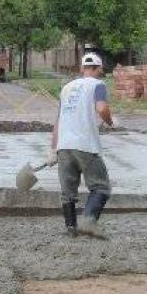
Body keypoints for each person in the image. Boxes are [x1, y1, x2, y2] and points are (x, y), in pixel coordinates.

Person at [48, 52, 114, 236]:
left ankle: (71, 229)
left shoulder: (66, 88)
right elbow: (101, 108)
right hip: (86, 145)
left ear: (82, 68)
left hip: (64, 145)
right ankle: (89, 221)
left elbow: (59, 120)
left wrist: (53, 149)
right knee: (101, 187)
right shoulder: (98, 85)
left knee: (68, 192)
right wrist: (110, 121)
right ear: (99, 69)